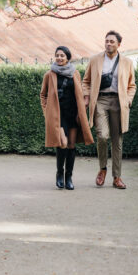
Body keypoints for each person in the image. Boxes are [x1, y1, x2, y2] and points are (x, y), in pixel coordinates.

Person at [82, 30, 136, 189]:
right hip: (100, 101)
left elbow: (132, 85)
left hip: (119, 102)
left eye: (112, 41)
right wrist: (86, 96)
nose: (108, 44)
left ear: (119, 44)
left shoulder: (127, 62)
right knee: (102, 136)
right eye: (106, 41)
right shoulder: (95, 60)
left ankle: (117, 177)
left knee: (117, 140)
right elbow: (86, 81)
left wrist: (128, 100)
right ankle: (102, 169)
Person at [40, 46, 93, 190]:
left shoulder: (75, 73)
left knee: (71, 145)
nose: (59, 58)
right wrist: (47, 112)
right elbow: (43, 95)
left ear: (67, 58)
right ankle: (59, 174)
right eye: (57, 55)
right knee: (62, 143)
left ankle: (69, 177)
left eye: (62, 55)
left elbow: (79, 93)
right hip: (58, 115)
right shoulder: (49, 75)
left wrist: (81, 110)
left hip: (73, 113)